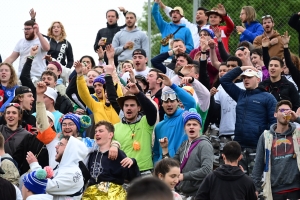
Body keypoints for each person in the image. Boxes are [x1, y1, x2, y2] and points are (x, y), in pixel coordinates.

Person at [220, 66, 277, 175]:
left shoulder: (268, 98)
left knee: (257, 182)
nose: (246, 79)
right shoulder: (241, 94)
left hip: (257, 147)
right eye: (244, 77)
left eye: (249, 77)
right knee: (239, 181)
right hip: (239, 146)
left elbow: (273, 123)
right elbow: (224, 80)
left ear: (258, 79)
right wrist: (242, 68)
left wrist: (268, 143)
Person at [159, 108, 213, 198]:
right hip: (182, 192)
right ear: (185, 128)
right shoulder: (184, 144)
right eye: (188, 124)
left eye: (195, 124)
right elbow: (171, 166)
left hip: (197, 194)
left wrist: (184, 176)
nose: (191, 127)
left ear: (200, 127)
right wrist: (165, 149)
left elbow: (207, 170)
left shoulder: (205, 145)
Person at [252, 100, 300, 200]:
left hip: (296, 189)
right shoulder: (266, 136)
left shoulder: (297, 133)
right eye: (282, 110)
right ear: (275, 114)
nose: (285, 113)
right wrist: (255, 189)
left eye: (288, 110)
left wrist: (297, 119)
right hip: (274, 191)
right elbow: (258, 164)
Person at [82, 120, 140, 199]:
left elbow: (132, 177)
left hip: (112, 195)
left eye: (101, 131)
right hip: (92, 194)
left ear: (110, 135)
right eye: (96, 132)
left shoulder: (118, 153)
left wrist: (133, 162)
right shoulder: (92, 153)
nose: (97, 134)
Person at [114, 82, 157, 175]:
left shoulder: (146, 122)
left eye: (132, 105)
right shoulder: (115, 127)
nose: (129, 108)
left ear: (139, 108)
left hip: (144, 173)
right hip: (124, 174)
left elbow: (152, 110)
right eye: (126, 106)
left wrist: (138, 93)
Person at [153, 73, 196, 163]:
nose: (169, 104)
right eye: (166, 102)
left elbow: (191, 103)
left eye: (172, 101)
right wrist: (156, 166)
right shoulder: (159, 126)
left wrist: (172, 86)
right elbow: (156, 152)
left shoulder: (185, 117)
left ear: (177, 102)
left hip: (182, 167)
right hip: (164, 170)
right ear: (162, 104)